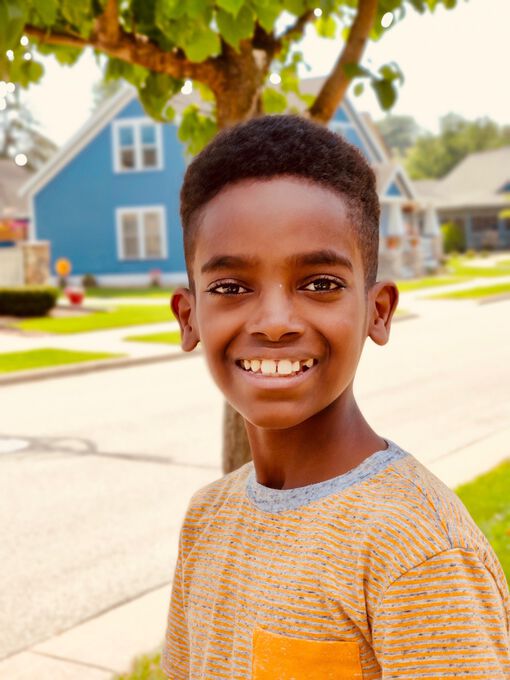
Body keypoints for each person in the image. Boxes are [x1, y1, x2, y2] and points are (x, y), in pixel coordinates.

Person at [161, 115, 510, 679]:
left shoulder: (415, 550)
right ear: (189, 315)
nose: (275, 322)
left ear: (378, 310)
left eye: (320, 284)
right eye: (230, 287)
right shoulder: (206, 518)